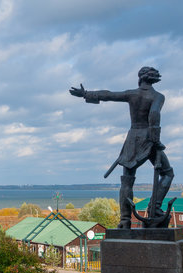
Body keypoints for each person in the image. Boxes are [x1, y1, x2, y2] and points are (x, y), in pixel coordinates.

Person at [70, 67, 174, 229]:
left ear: (140, 78)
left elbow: (109, 95)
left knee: (127, 180)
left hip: (133, 139)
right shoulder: (158, 97)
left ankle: (125, 221)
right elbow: (154, 114)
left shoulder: (132, 94)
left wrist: (86, 94)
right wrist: (156, 139)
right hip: (149, 138)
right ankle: (155, 207)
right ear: (154, 80)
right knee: (167, 173)